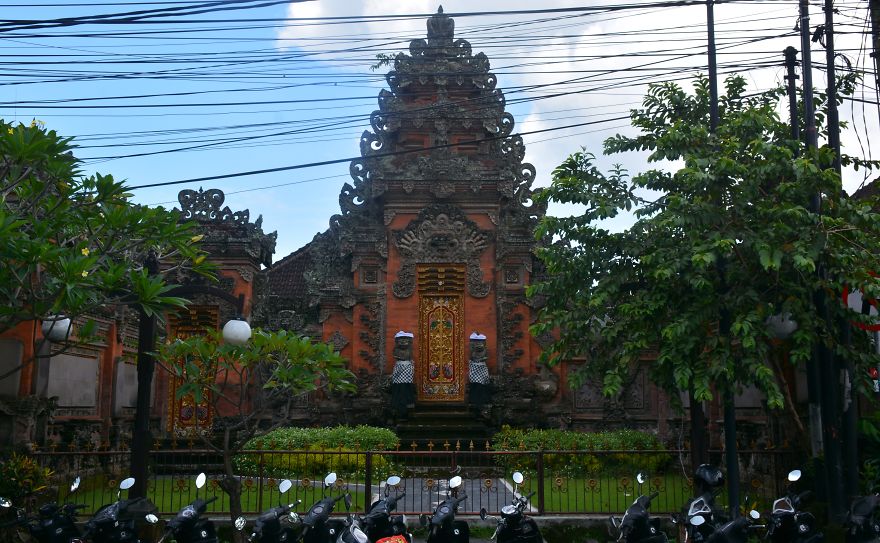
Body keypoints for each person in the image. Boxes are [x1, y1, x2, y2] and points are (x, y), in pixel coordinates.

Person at [390, 331, 415, 418]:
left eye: (405, 341)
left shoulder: (409, 352)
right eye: (401, 341)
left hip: (407, 372)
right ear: (397, 342)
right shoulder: (396, 351)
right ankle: (399, 408)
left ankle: (407, 406)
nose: (403, 343)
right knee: (399, 389)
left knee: (406, 388)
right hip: (399, 371)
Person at [468, 332, 491, 411]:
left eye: (480, 342)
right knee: (476, 384)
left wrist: (481, 358)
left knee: (481, 385)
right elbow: (472, 355)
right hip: (475, 366)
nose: (478, 344)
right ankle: (475, 402)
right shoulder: (472, 349)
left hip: (481, 367)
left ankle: (479, 402)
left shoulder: (484, 349)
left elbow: (485, 356)